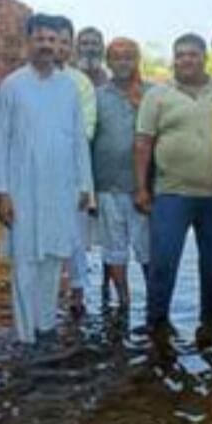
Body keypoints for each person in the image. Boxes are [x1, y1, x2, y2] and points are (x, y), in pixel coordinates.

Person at [0, 13, 92, 344]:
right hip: (22, 188)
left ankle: (46, 327)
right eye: (40, 39)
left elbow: (78, 139)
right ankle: (24, 337)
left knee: (53, 257)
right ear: (28, 42)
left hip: (60, 187)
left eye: (52, 39)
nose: (46, 45)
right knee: (25, 262)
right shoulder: (12, 85)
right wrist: (2, 191)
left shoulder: (68, 87)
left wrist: (85, 184)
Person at [136, 33, 212, 329]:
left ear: (205, 58)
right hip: (171, 193)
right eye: (180, 55)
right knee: (163, 263)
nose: (186, 60)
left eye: (193, 54)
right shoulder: (158, 95)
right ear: (173, 60)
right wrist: (141, 188)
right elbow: (143, 143)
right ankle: (156, 325)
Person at [92, 37, 151, 308]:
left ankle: (154, 301)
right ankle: (123, 302)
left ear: (137, 60)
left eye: (129, 56)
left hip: (143, 187)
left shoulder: (153, 94)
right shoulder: (97, 96)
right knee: (114, 249)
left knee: (147, 249)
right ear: (109, 62)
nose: (123, 62)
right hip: (107, 185)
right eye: (117, 57)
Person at [53, 15, 97, 316]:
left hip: (73, 171)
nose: (57, 47)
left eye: (64, 42)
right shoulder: (22, 82)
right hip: (36, 174)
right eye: (52, 40)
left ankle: (77, 298)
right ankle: (48, 297)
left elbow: (86, 129)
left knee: (76, 237)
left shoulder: (80, 83)